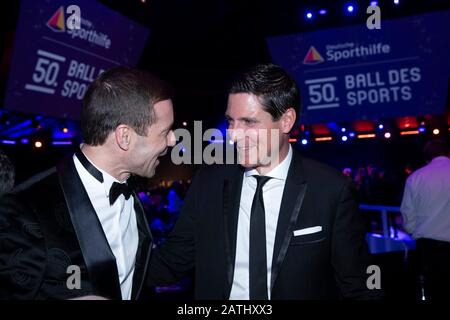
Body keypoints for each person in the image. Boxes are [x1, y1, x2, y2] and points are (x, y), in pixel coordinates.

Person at [148, 63, 378, 299]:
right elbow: (170, 262)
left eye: (249, 122)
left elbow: (360, 284)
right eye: (230, 121)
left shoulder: (331, 190)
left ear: (287, 120)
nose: (234, 135)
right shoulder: (209, 182)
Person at [0, 67, 176, 300]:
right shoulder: (23, 210)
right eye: (165, 132)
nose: (173, 140)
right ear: (124, 137)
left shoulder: (129, 190)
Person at [400, 139, 450, 300]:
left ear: (426, 158)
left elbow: (408, 216)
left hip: (428, 246)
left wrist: (414, 230)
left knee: (433, 290)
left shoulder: (415, 178)